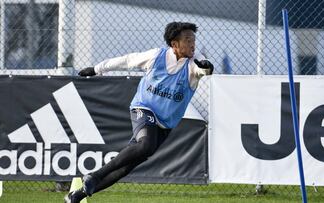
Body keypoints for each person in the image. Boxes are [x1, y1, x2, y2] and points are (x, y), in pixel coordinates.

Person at [64, 21, 213, 203]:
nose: (193, 44)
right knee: (145, 145)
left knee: (127, 167)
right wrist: (97, 69)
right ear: (174, 44)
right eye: (188, 40)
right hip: (144, 107)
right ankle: (94, 176)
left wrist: (206, 65)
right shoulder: (156, 56)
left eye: (194, 40)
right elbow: (127, 60)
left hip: (165, 124)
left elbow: (205, 69)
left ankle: (76, 196)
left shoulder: (193, 64)